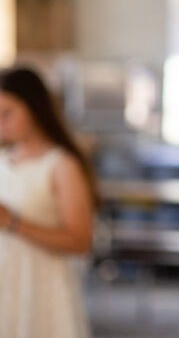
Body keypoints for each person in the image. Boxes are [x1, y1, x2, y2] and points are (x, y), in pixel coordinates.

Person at [0, 66, 98, 338]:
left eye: (8, 113)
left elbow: (80, 242)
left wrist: (13, 223)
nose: (0, 123)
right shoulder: (3, 161)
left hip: (42, 286)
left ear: (34, 108)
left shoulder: (62, 165)